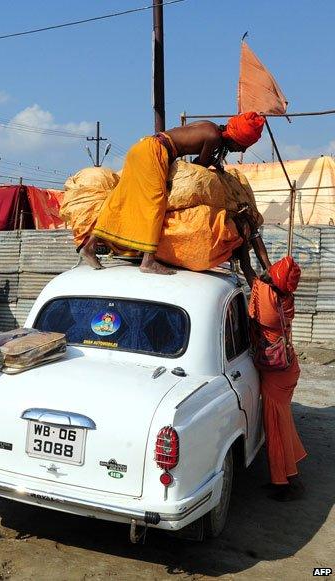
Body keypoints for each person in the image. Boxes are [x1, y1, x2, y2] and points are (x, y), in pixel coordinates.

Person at [81, 111, 266, 275]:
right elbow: (197, 167)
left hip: (141, 148)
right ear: (235, 138)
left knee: (121, 199)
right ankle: (148, 260)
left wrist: (213, 161)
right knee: (155, 203)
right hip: (155, 152)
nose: (240, 150)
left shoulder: (209, 126)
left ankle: (90, 246)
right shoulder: (214, 137)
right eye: (242, 146)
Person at [239, 248, 307, 501]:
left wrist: (244, 253)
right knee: (283, 425)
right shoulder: (285, 297)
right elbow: (265, 276)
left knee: (276, 428)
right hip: (287, 369)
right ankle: (287, 476)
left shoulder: (266, 302)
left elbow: (252, 274)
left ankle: (288, 482)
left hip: (276, 376)